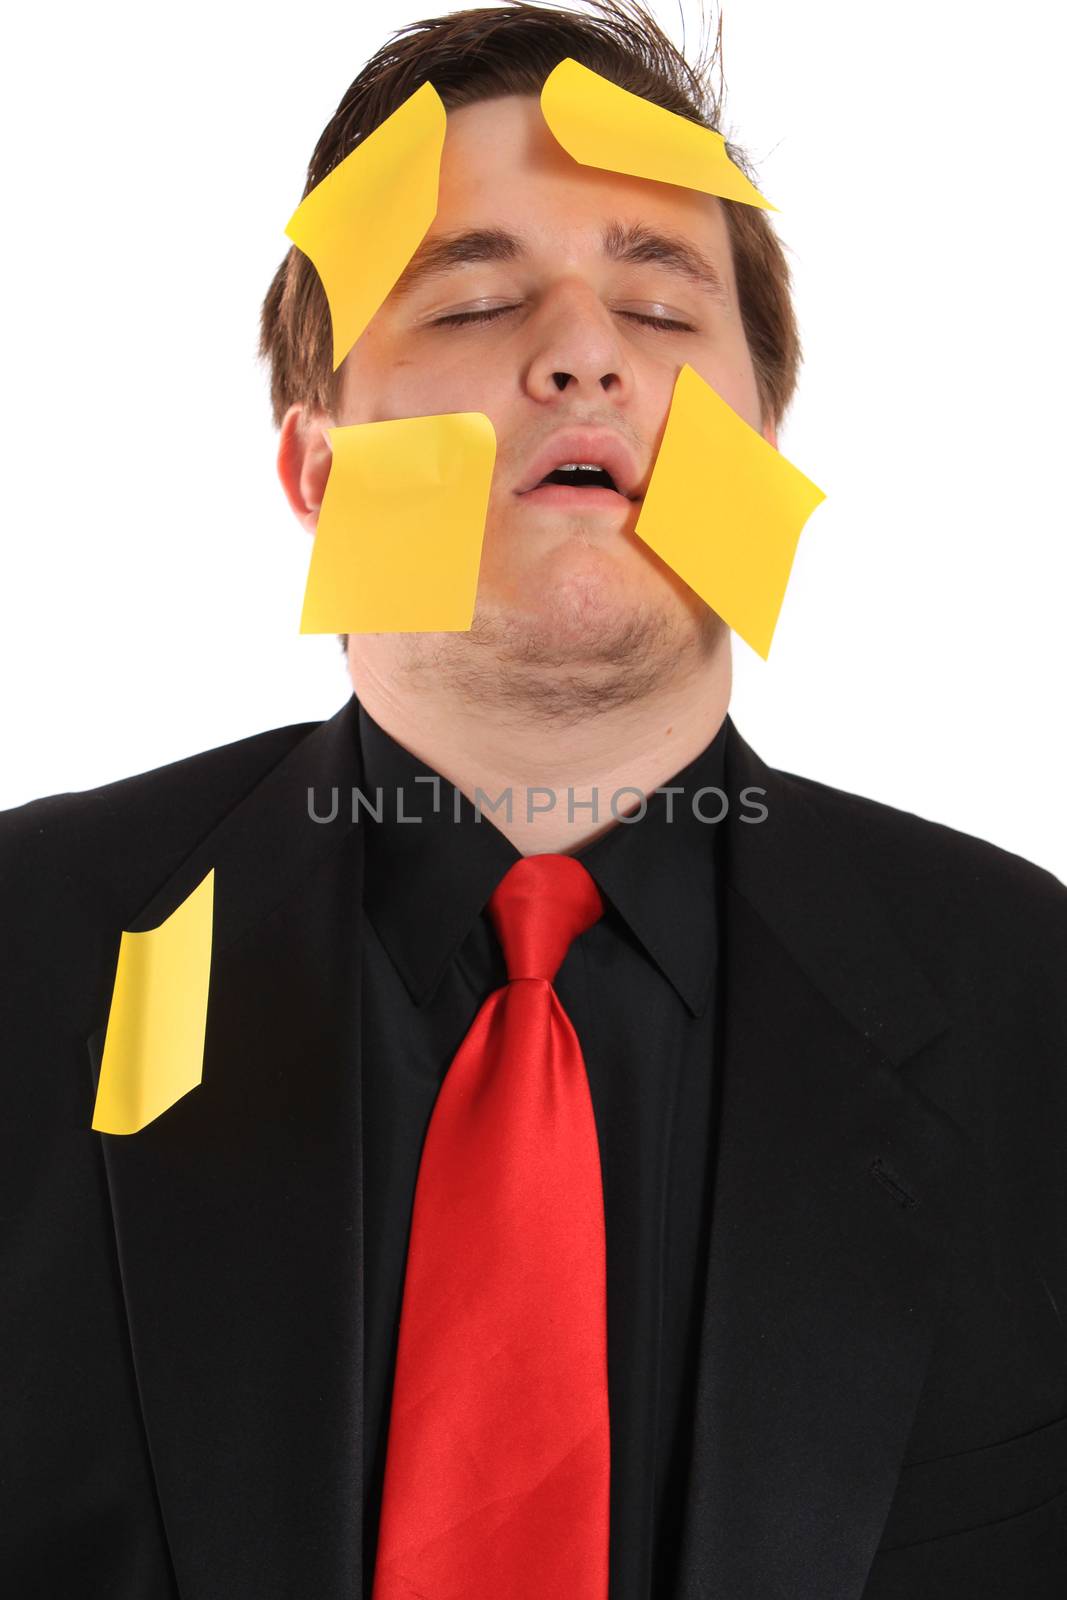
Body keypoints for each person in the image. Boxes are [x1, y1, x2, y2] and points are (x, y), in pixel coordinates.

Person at [2, 3, 1065, 1597]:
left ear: (761, 446)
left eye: (658, 301)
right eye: (481, 298)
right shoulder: (27, 951)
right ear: (314, 469)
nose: (583, 353)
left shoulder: (1032, 1005)